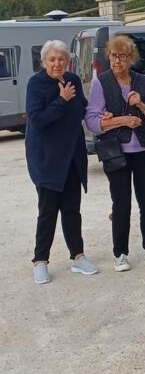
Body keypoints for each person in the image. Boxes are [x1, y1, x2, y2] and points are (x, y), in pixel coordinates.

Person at [85, 34, 145, 271]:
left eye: (122, 56)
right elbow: (92, 121)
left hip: (143, 149)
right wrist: (121, 120)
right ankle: (120, 253)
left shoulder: (142, 81)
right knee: (121, 203)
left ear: (131, 59)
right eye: (113, 56)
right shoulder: (101, 82)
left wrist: (141, 105)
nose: (117, 61)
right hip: (116, 152)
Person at [25, 39, 97, 284]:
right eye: (52, 59)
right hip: (47, 160)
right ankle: (40, 261)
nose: (57, 64)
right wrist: (62, 100)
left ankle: (78, 256)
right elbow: (38, 120)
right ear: (44, 61)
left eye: (62, 59)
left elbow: (83, 108)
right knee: (47, 212)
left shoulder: (72, 80)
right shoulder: (36, 84)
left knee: (72, 211)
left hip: (72, 158)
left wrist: (100, 115)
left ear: (68, 61)